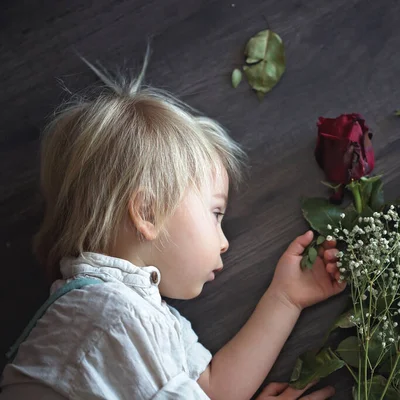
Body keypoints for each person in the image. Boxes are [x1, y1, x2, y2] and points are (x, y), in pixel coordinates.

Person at [0, 52, 346, 400]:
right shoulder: (110, 316)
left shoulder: (141, 313)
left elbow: (213, 388)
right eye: (215, 213)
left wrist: (285, 298)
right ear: (148, 213)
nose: (225, 242)